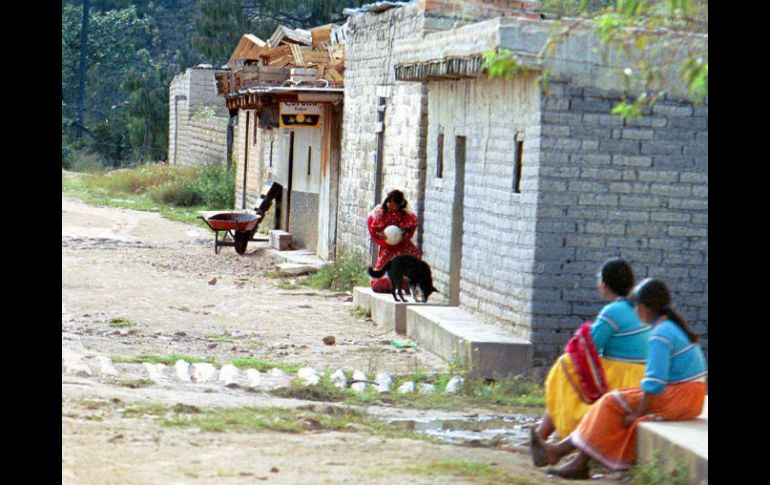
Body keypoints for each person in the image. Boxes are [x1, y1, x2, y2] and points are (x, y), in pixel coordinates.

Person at [532, 278, 707, 479]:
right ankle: (571, 458)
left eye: (637, 307)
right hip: (688, 395)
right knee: (611, 401)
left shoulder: (661, 334)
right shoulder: (668, 326)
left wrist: (638, 412)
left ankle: (566, 455)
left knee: (610, 403)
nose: (635, 312)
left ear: (644, 308)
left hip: (680, 397)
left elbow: (655, 382)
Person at [531, 257, 650, 464]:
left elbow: (590, 346)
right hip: (641, 374)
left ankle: (543, 434)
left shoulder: (613, 311)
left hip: (624, 375)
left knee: (565, 366)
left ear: (604, 284)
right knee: (568, 368)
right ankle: (544, 436)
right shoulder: (637, 307)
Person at [367, 190, 421, 292]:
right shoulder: (382, 214)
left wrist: (405, 233)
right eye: (389, 202)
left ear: (400, 204)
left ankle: (406, 284)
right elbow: (376, 229)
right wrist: (381, 234)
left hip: (402, 245)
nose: (391, 205)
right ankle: (386, 285)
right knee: (384, 265)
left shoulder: (405, 216)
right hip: (389, 247)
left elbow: (409, 227)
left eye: (394, 203)